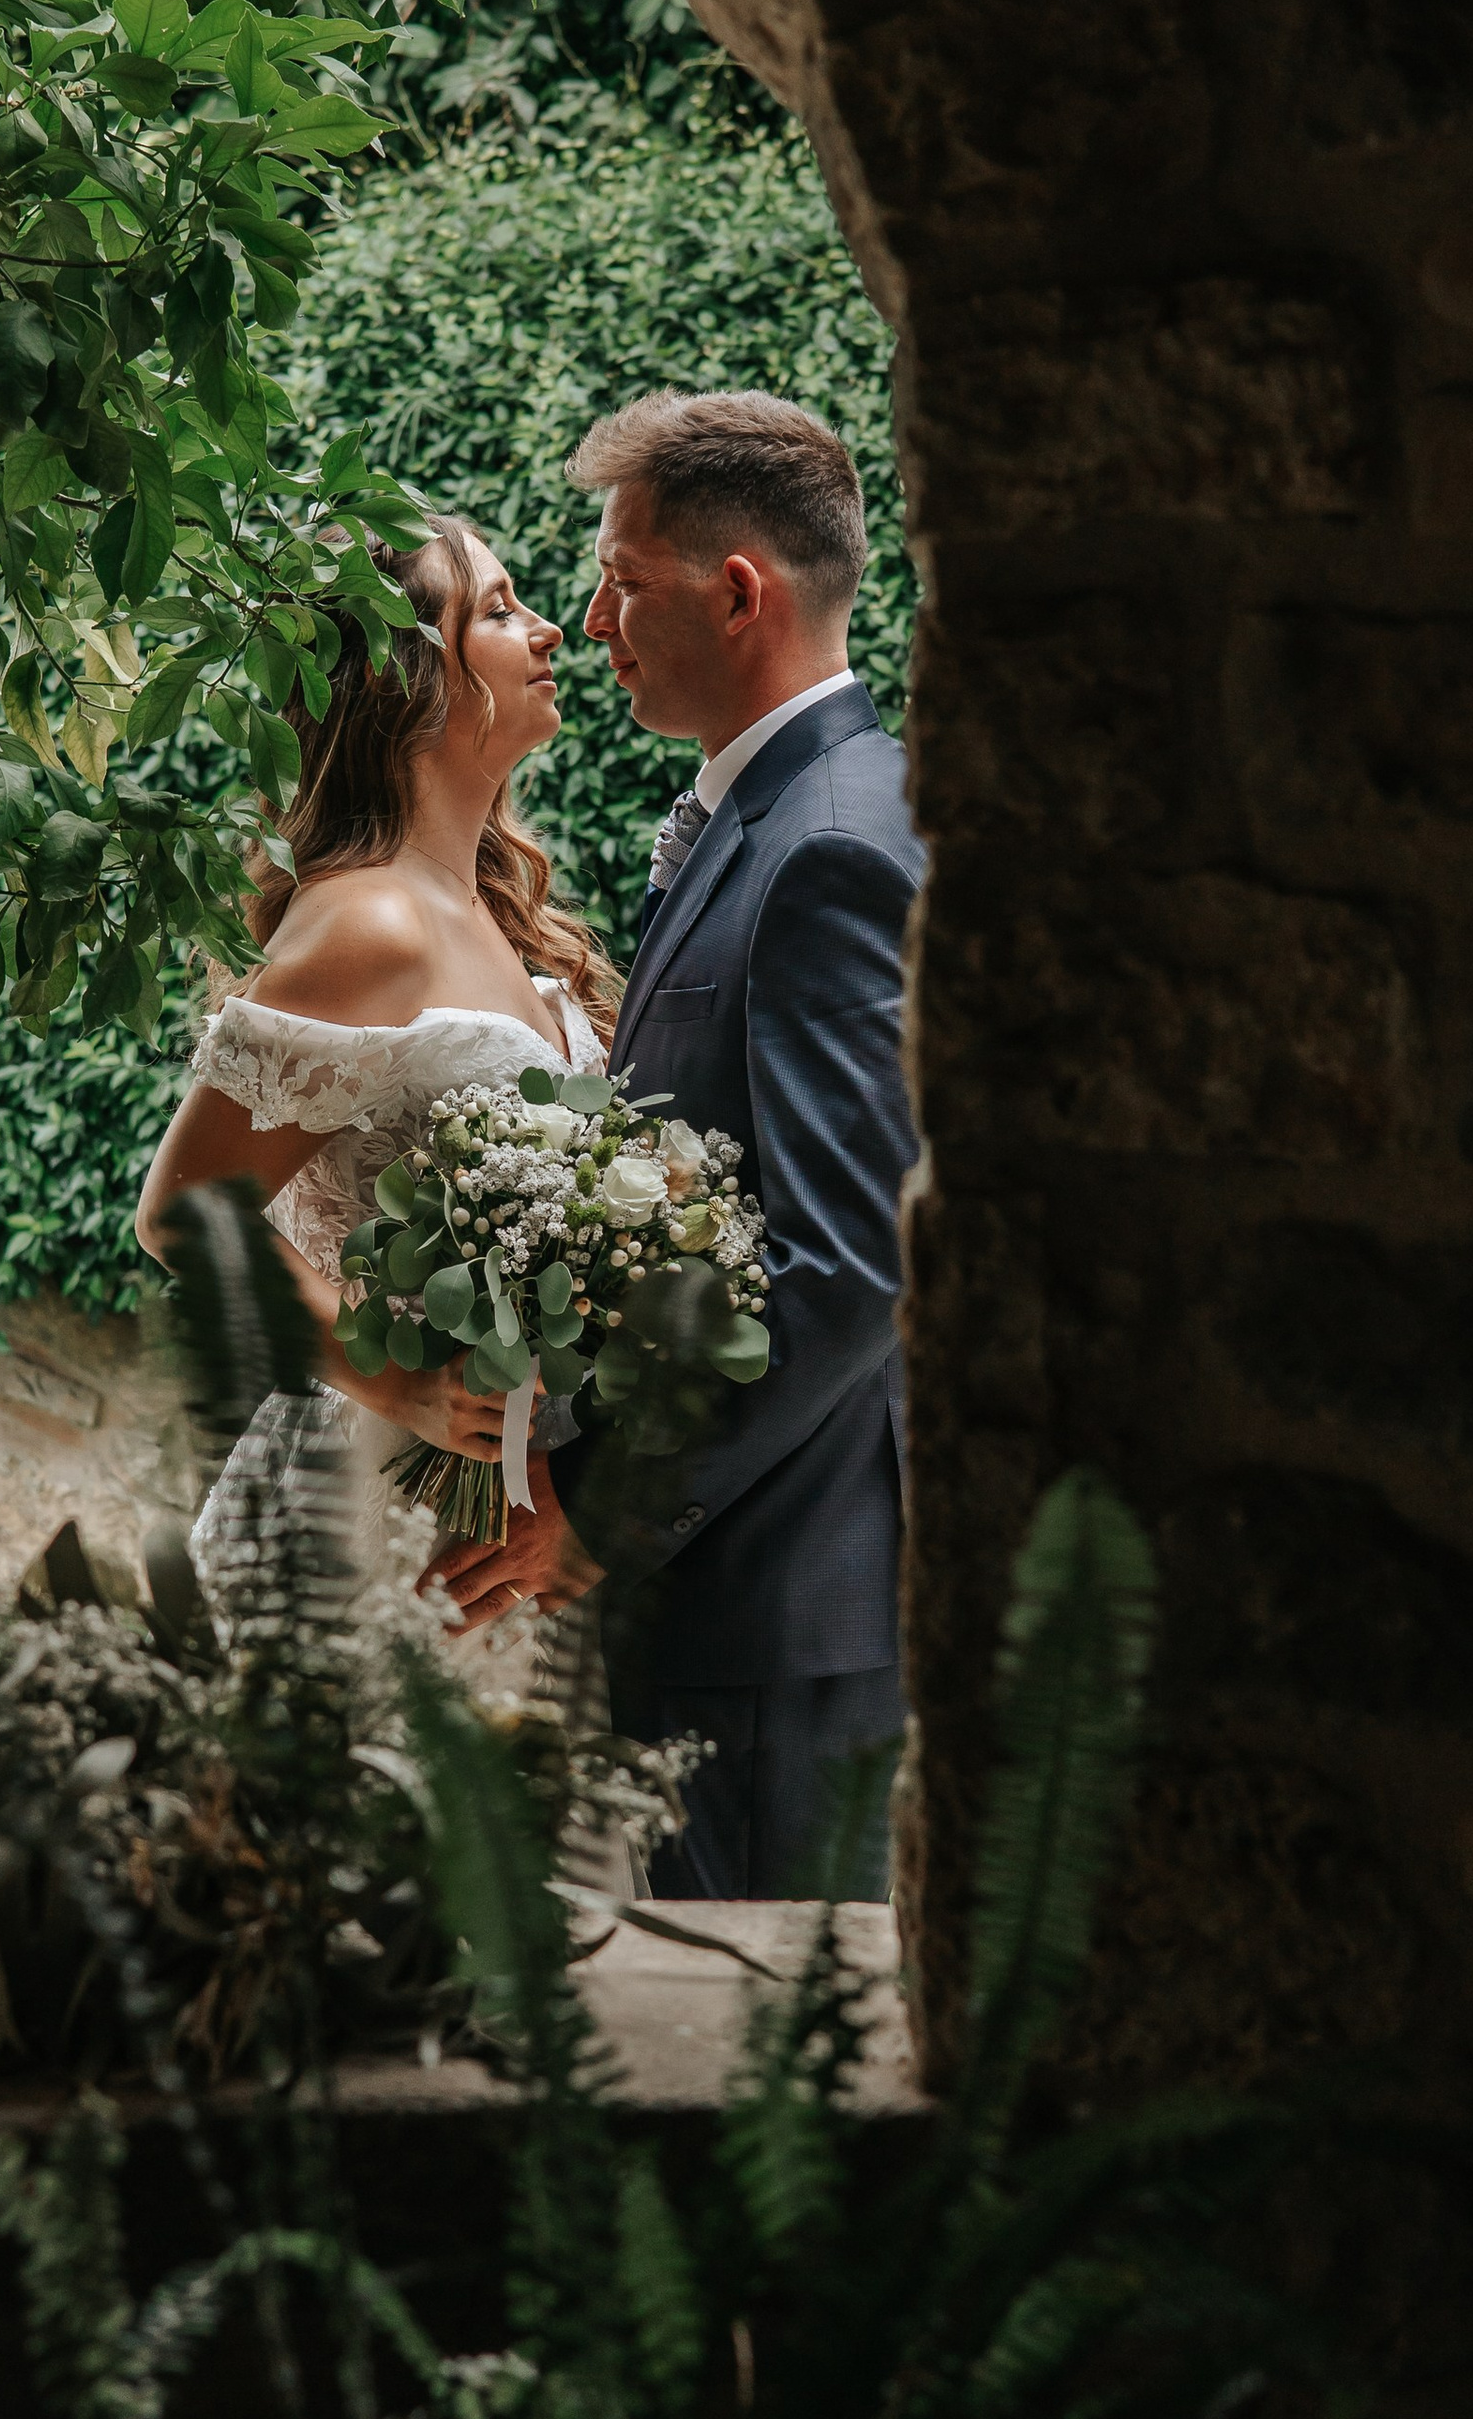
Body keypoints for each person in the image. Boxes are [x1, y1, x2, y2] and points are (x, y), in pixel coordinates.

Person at [439, 388, 922, 1902]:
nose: (592, 622)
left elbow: (846, 1265)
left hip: (773, 1613)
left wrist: (614, 1503)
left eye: (623, 581)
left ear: (738, 592)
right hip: (737, 1606)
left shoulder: (833, 841)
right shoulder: (771, 812)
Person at [134, 514, 619, 1705]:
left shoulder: (502, 922)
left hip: (501, 1510)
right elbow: (185, 1212)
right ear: (411, 681)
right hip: (364, 1515)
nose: (548, 627)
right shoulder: (371, 924)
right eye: (499, 610)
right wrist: (388, 1376)